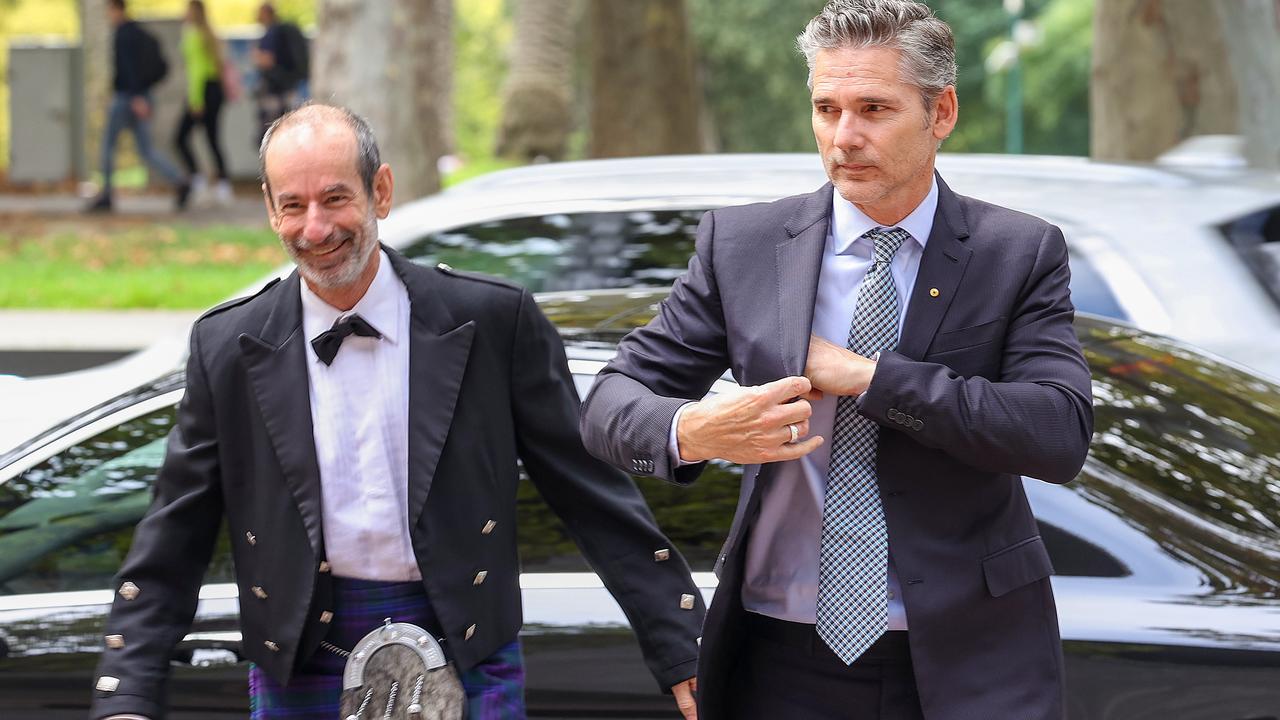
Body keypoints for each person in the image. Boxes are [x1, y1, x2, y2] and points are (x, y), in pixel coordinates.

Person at [89, 103, 703, 720]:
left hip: (464, 638)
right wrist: (127, 691)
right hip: (303, 650)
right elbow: (175, 531)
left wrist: (684, 649)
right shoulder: (228, 346)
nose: (315, 228)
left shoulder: (490, 322)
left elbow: (589, 490)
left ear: (380, 191)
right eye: (294, 205)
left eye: (335, 199)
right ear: (271, 210)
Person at [579, 1, 1094, 719]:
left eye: (874, 109)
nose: (844, 137)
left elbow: (1057, 431)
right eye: (827, 108)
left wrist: (870, 377)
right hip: (778, 654)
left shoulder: (1018, 252)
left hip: (968, 655)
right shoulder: (745, 246)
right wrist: (692, 429)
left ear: (940, 112)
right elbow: (610, 403)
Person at [86, 0, 191, 213]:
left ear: (116, 9)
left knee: (108, 145)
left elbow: (128, 68)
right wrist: (143, 94)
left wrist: (135, 96)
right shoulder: (140, 33)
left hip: (127, 98)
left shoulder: (123, 34)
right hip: (142, 96)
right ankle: (180, 180)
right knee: (146, 149)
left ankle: (106, 194)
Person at [174, 0, 233, 206]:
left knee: (180, 137)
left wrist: (196, 100)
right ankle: (223, 186)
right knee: (212, 138)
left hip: (203, 91)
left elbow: (196, 71)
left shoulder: (192, 34)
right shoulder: (210, 34)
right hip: (215, 90)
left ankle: (197, 180)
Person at [253, 3, 307, 144]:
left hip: (274, 90)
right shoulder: (281, 32)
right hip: (288, 88)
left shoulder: (271, 33)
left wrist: (257, 56)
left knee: (271, 133)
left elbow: (267, 61)